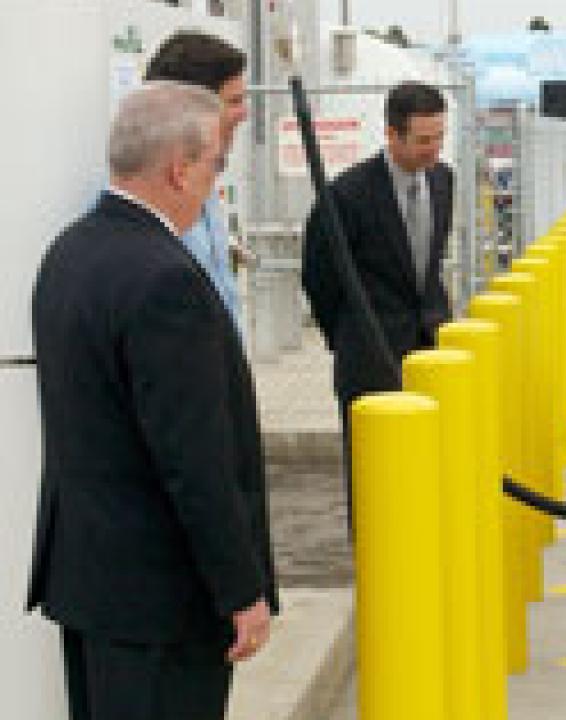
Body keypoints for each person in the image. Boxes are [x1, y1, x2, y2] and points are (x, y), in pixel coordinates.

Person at [27, 83, 278, 720]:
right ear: (179, 169)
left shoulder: (69, 252)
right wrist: (241, 590)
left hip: (89, 582)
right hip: (162, 600)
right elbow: (194, 461)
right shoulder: (166, 279)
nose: (215, 183)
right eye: (215, 164)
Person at [302, 81, 454, 524]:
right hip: (369, 359)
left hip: (428, 354)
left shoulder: (444, 181)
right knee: (375, 490)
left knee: (427, 477)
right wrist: (351, 335)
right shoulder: (346, 196)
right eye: (423, 140)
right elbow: (320, 280)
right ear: (391, 135)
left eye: (439, 136)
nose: (433, 149)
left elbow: (429, 268)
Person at [144, 31, 251, 337]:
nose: (244, 114)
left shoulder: (206, 193)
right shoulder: (145, 205)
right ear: (192, 112)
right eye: (234, 101)